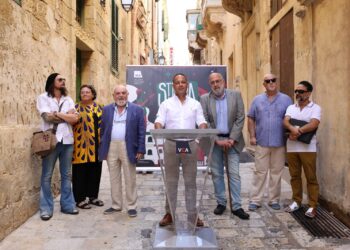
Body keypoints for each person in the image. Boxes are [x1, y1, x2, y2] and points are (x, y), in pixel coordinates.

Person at [155, 73, 207, 227]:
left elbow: (202, 122)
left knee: (191, 182)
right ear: (173, 86)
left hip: (189, 144)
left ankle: (193, 215)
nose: (180, 84)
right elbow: (159, 121)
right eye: (177, 82)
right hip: (171, 144)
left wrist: (198, 138)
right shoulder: (166, 104)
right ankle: (169, 213)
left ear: (187, 84)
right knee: (171, 182)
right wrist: (158, 130)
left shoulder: (195, 104)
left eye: (183, 82)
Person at [200, 72, 249, 220]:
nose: (216, 84)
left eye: (218, 81)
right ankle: (221, 202)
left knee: (234, 174)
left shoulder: (235, 95)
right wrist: (217, 140)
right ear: (210, 84)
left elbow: (240, 117)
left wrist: (232, 138)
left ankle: (237, 206)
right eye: (213, 82)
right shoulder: (204, 99)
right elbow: (204, 120)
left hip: (232, 141)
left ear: (224, 82)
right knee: (216, 174)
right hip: (214, 142)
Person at [36, 73, 79, 221]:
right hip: (50, 140)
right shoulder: (43, 98)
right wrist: (66, 115)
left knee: (67, 174)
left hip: (67, 140)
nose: (63, 81)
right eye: (60, 79)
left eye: (64, 79)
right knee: (47, 175)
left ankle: (67, 205)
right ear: (52, 82)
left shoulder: (68, 99)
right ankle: (46, 208)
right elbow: (47, 117)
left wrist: (58, 114)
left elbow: (75, 119)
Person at [247, 73, 292, 211]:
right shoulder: (257, 100)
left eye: (273, 80)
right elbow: (251, 118)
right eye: (268, 81)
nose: (271, 82)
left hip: (279, 142)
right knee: (260, 172)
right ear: (264, 84)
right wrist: (252, 136)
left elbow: (291, 119)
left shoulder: (286, 100)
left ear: (276, 82)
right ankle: (256, 200)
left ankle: (274, 200)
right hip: (262, 142)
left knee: (276, 172)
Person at [99, 85, 145, 217]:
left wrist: (140, 149)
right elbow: (102, 130)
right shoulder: (107, 109)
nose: (121, 96)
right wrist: (104, 147)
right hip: (111, 146)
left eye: (123, 93)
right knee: (113, 177)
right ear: (113, 96)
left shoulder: (137, 110)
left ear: (127, 95)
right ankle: (116, 205)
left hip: (128, 146)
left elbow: (141, 131)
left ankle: (131, 206)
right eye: (118, 93)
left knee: (130, 177)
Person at [283, 81, 321, 218]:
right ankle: (296, 202)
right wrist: (293, 129)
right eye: (296, 91)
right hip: (292, 147)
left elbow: (314, 124)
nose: (298, 94)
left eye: (301, 91)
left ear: (309, 93)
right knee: (294, 176)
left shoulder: (315, 107)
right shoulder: (291, 107)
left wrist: (297, 131)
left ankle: (312, 206)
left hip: (308, 148)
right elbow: (286, 121)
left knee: (311, 177)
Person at [72, 85, 104, 209]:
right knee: (80, 173)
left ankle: (93, 197)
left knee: (95, 171)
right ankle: (79, 199)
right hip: (80, 146)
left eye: (87, 92)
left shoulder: (100, 108)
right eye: (82, 92)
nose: (85, 94)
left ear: (92, 94)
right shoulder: (75, 108)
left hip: (97, 146)